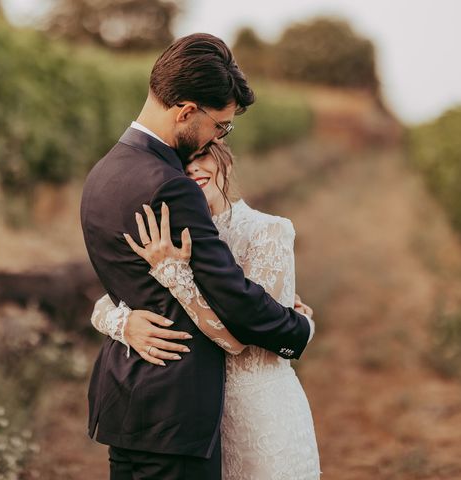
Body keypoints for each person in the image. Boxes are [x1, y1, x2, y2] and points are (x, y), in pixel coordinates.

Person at [80, 32, 314, 479]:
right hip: (178, 411)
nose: (219, 136)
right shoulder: (169, 184)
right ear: (186, 111)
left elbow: (124, 283)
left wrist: (121, 319)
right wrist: (298, 329)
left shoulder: (103, 173)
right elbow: (231, 296)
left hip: (123, 403)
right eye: (219, 125)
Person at [91, 143, 321, 479]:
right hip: (197, 413)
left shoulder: (267, 230)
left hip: (258, 410)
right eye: (183, 163)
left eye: (202, 157)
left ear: (226, 159)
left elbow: (239, 339)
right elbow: (107, 299)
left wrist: (175, 274)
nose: (193, 169)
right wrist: (124, 324)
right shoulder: (170, 234)